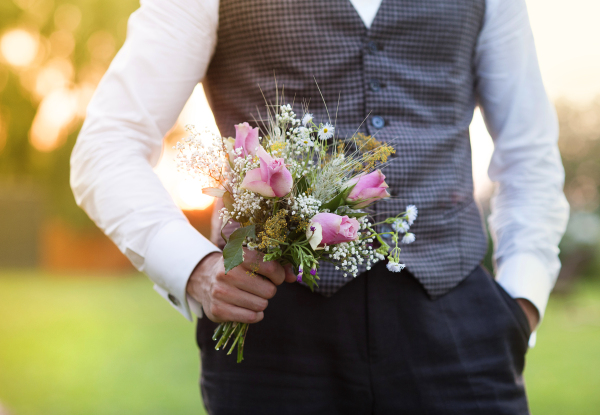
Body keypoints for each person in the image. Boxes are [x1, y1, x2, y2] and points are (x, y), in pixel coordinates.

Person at [70, 0, 569, 413]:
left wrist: (521, 301)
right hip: (275, 339)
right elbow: (108, 144)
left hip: (460, 326)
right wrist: (196, 270)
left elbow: (530, 153)